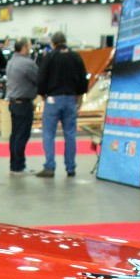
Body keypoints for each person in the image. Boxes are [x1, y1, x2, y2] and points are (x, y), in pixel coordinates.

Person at [36, 32, 89, 177]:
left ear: (53, 44)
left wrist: (42, 94)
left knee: (49, 134)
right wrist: (78, 94)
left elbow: (41, 78)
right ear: (65, 42)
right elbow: (84, 78)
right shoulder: (75, 56)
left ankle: (50, 166)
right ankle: (71, 168)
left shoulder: (49, 57)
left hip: (53, 99)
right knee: (70, 134)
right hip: (70, 99)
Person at [5, 39, 41, 174]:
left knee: (15, 134)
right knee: (22, 135)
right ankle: (19, 165)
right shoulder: (26, 63)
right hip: (23, 103)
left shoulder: (11, 61)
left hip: (14, 102)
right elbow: (38, 78)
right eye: (29, 46)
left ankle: (14, 164)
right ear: (24, 48)